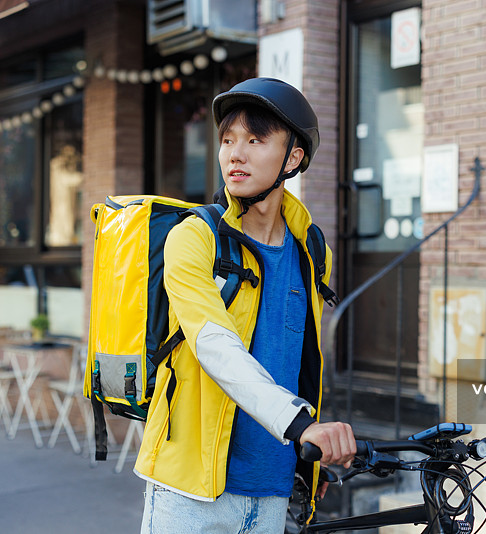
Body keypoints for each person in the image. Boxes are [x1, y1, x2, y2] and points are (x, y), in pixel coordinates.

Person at [135, 77, 356, 533]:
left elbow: (300, 364)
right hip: (190, 493)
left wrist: (306, 457)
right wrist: (298, 425)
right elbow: (214, 345)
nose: (235, 154)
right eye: (228, 140)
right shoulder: (194, 239)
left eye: (255, 140)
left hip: (273, 489)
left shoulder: (313, 251)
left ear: (293, 157)